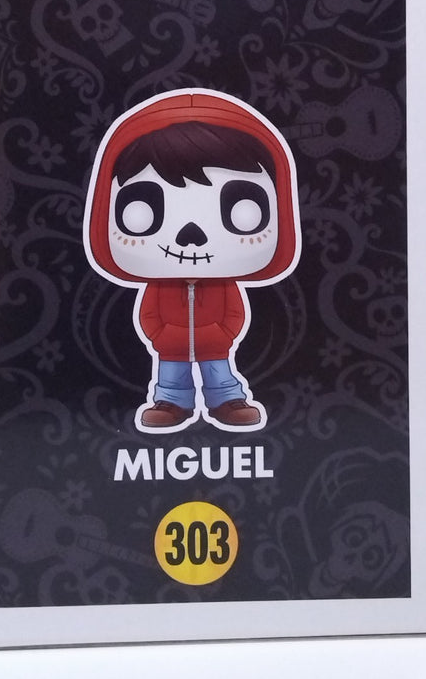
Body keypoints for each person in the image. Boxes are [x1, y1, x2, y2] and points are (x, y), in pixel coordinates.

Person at [84, 89, 300, 432]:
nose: (191, 236)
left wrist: (221, 334)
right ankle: (172, 403)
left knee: (220, 375)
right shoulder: (159, 285)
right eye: (142, 211)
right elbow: (148, 314)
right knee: (171, 379)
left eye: (242, 210)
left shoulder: (224, 283)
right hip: (169, 349)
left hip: (217, 347)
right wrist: (161, 335)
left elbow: (235, 313)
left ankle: (226, 401)